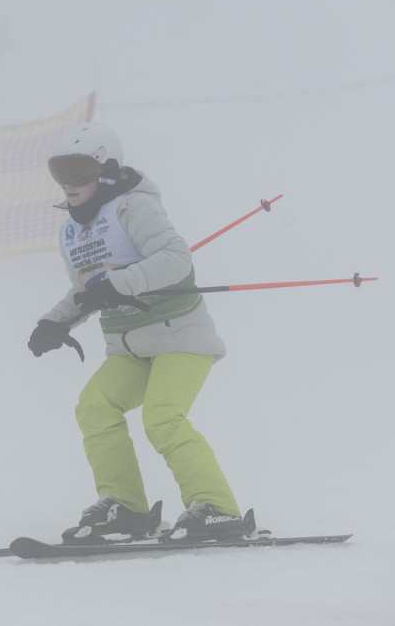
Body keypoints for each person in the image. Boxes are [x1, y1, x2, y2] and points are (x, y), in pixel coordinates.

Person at [27, 122, 245, 542]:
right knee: (94, 406)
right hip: (129, 349)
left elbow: (176, 259)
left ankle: (217, 508)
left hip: (180, 338)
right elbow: (87, 289)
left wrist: (118, 283)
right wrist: (55, 321)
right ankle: (126, 509)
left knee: (162, 417)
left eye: (79, 174)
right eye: (60, 174)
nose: (68, 185)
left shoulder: (134, 208)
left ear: (107, 172)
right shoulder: (72, 230)